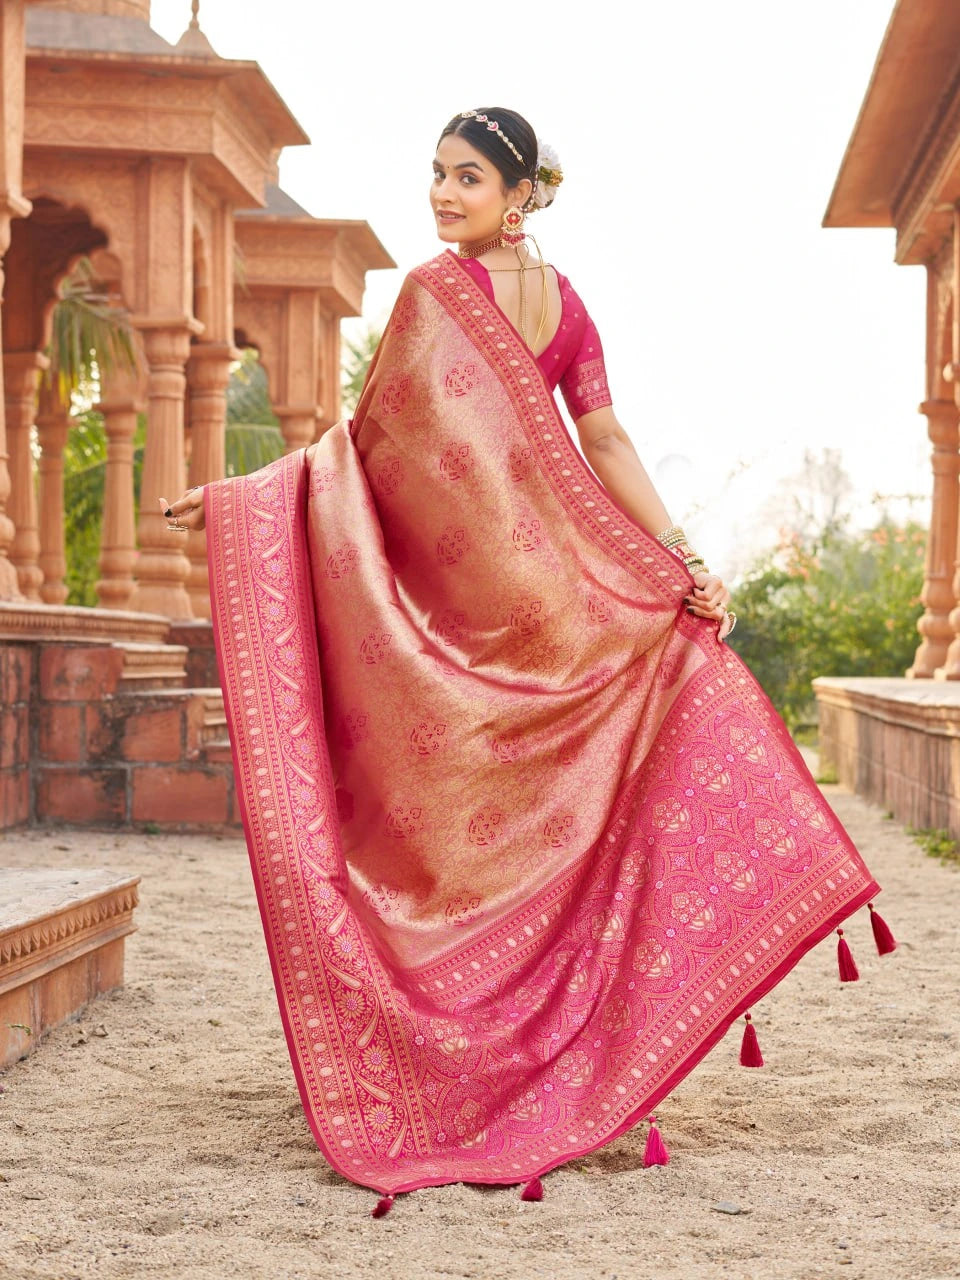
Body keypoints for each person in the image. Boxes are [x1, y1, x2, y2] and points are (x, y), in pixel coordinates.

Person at [161, 108, 889, 1210]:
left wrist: (240, 506)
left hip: (495, 616)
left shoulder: (434, 295)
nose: (443, 195)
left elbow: (363, 459)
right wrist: (674, 551)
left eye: (466, 178)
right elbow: (599, 442)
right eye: (437, 175)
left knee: (463, 839)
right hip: (549, 610)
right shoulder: (555, 302)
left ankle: (471, 1061)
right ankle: (547, 1055)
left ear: (522, 192)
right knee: (544, 835)